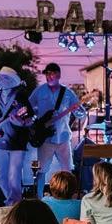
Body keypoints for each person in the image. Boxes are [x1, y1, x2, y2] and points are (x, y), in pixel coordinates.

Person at [29, 63, 87, 198]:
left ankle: (69, 197)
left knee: (68, 170)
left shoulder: (67, 93)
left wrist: (79, 110)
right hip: (45, 138)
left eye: (52, 73)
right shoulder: (39, 91)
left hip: (63, 137)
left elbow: (80, 113)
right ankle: (39, 199)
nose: (49, 76)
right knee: (41, 171)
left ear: (59, 75)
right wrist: (36, 122)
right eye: (47, 74)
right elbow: (28, 107)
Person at [0, 66, 34, 206]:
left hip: (17, 142)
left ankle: (14, 204)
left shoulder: (20, 98)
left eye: (5, 78)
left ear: (12, 81)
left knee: (14, 176)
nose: (1, 80)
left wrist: (20, 122)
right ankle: (12, 201)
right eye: (0, 78)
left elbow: (30, 118)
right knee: (2, 178)